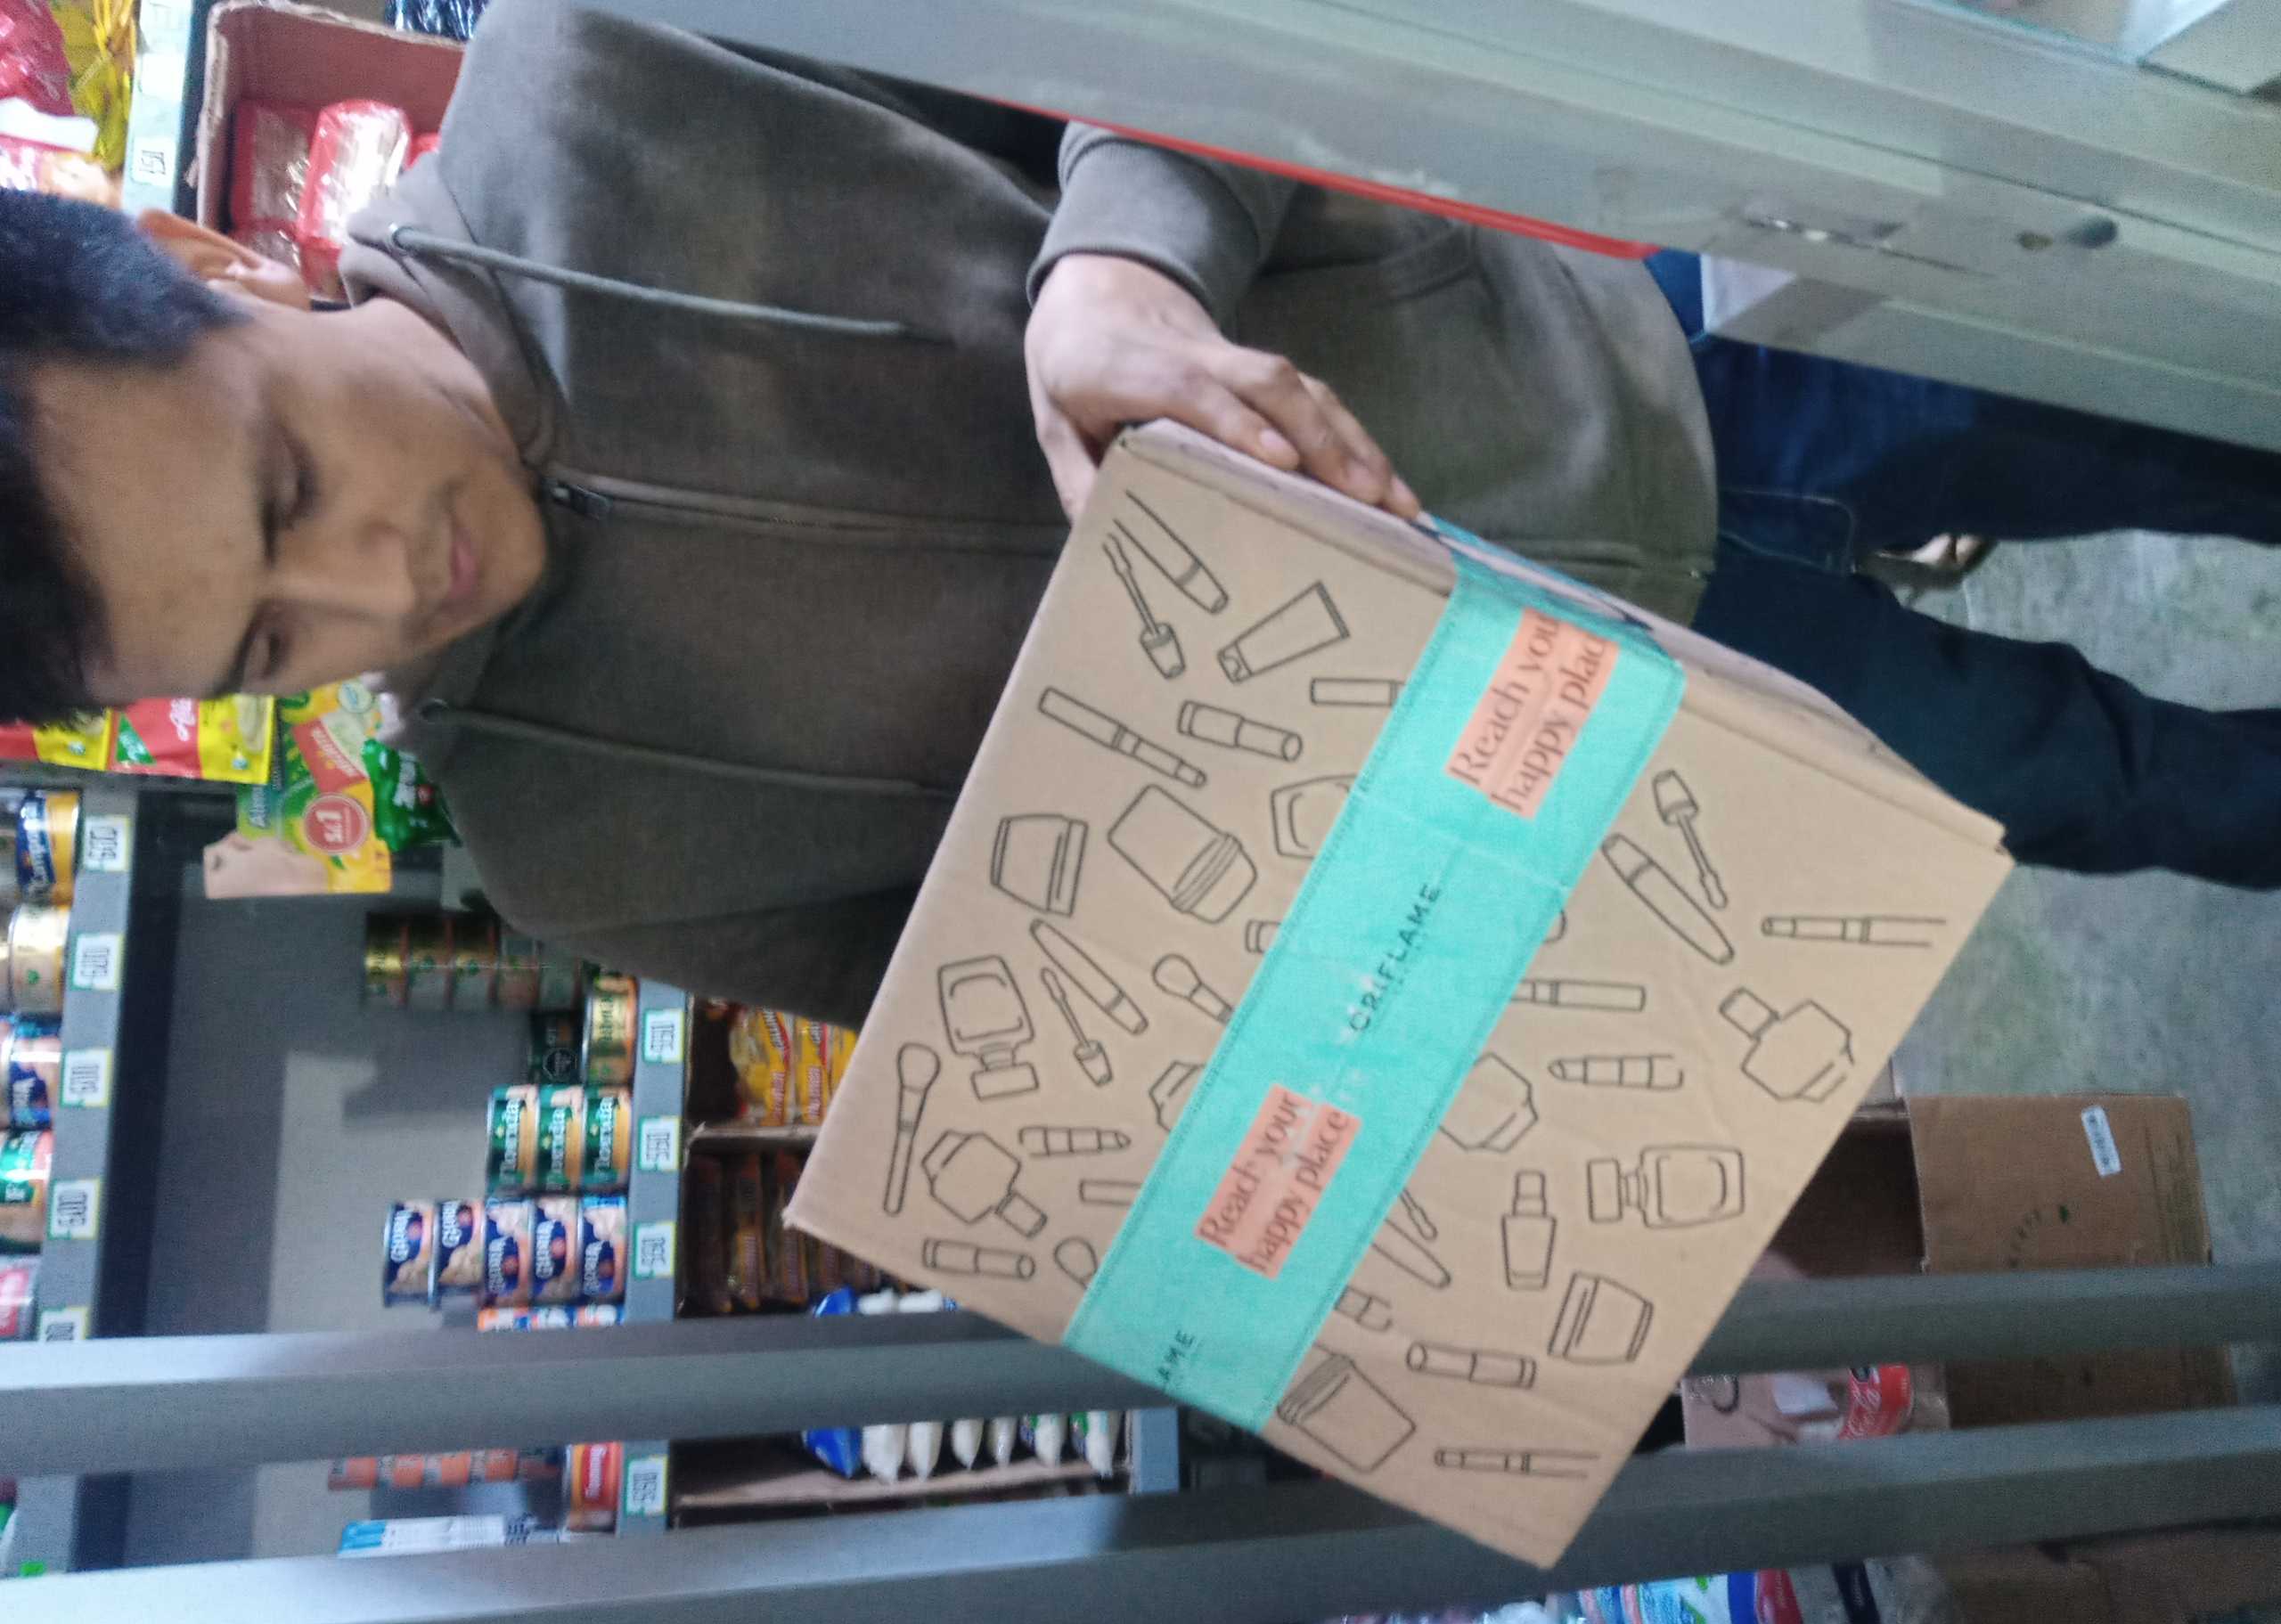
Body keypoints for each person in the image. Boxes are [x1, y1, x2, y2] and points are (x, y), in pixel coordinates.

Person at [2, 0, 2276, 1021]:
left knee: (2172, 420)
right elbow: (1029, 1033)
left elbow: (1203, 40)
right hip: (1599, 768)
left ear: (217, 264)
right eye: (272, 646)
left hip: (1622, 348)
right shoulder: (575, 847)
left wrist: (1122, 259)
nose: (378, 585)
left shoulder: (613, 55)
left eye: (288, 484)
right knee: (2104, 782)